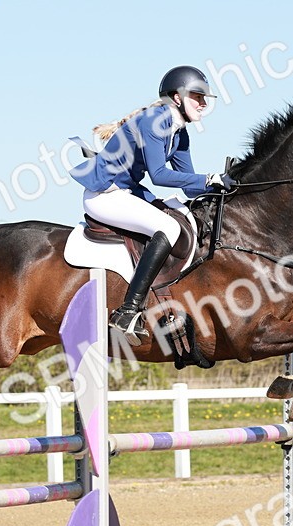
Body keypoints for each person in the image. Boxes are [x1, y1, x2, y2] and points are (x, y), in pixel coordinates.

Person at [71, 65, 237, 345]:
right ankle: (127, 311)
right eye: (197, 96)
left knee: (182, 213)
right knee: (169, 228)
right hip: (103, 194)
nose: (203, 103)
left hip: (129, 193)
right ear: (177, 98)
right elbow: (159, 175)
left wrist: (221, 185)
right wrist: (209, 178)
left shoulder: (180, 134)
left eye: (204, 98)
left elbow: (188, 187)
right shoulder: (154, 122)